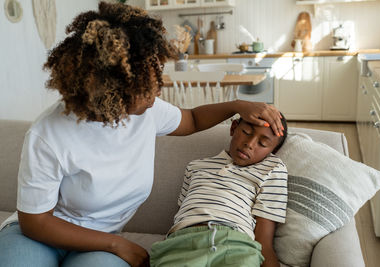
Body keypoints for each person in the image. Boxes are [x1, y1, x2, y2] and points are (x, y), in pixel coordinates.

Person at [0, 2, 284, 267]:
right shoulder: (48, 133)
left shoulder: (148, 112)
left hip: (97, 247)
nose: (159, 87)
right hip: (40, 235)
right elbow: (35, 222)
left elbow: (194, 119)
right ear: (114, 88)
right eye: (148, 82)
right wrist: (117, 244)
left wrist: (238, 105)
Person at [150, 116, 288, 267]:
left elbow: (265, 243)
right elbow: (181, 215)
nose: (249, 144)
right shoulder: (196, 166)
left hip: (235, 243)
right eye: (246, 132)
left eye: (262, 143)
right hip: (181, 242)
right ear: (233, 127)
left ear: (273, 151)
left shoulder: (272, 169)